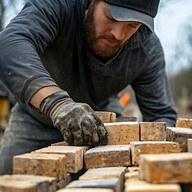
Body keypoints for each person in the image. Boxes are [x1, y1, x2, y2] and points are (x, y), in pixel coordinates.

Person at [0, 0, 177, 174]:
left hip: (101, 125)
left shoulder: (147, 48)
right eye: (111, 18)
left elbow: (161, 116)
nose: (118, 34)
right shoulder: (58, 5)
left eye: (132, 26)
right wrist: (57, 104)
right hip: (37, 120)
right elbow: (10, 43)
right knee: (7, 184)